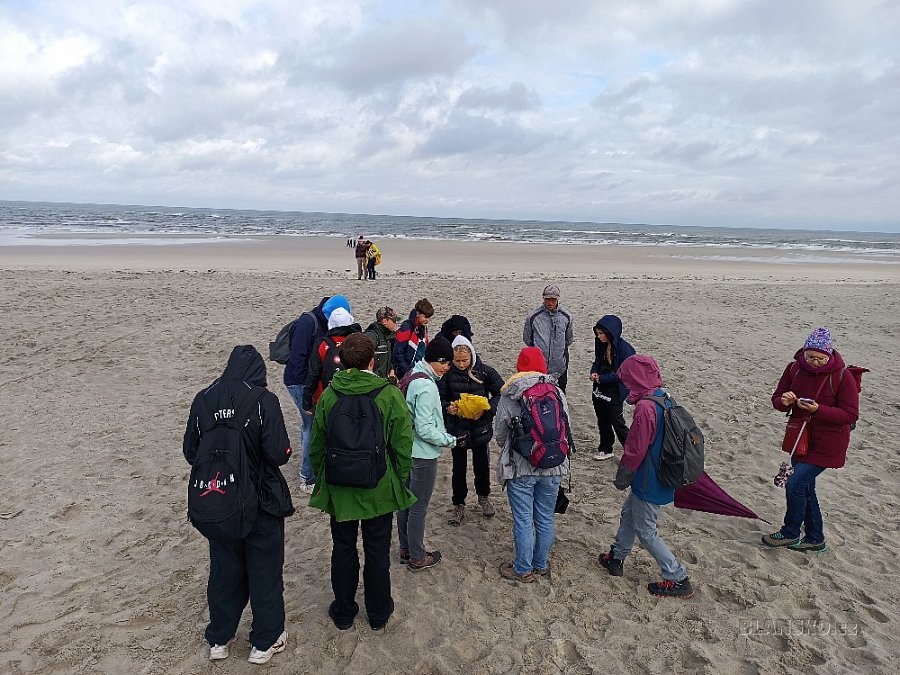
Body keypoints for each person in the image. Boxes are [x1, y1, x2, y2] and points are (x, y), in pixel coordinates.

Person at [183, 345, 294, 664]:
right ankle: (265, 641)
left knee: (223, 570)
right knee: (265, 570)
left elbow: (191, 451)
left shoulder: (203, 398)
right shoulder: (264, 401)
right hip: (261, 500)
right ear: (258, 373)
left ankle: (219, 637)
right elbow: (277, 453)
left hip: (219, 499)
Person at [308, 333, 416, 632]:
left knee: (342, 547)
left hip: (340, 484)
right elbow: (403, 443)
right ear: (373, 361)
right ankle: (378, 611)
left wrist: (324, 477)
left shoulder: (330, 395)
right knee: (377, 549)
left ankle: (343, 611)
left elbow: (316, 446)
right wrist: (399, 475)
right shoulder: (389, 394)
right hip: (378, 485)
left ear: (341, 361)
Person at [599, 354, 693, 599]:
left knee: (646, 529)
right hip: (663, 473)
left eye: (627, 380)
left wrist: (623, 476)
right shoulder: (664, 398)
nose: (625, 385)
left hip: (648, 477)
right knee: (629, 514)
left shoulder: (645, 408)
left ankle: (677, 576)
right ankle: (616, 557)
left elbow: (635, 448)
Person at [763, 327, 859, 552]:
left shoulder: (843, 376)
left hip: (829, 442)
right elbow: (777, 399)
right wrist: (784, 401)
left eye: (820, 358)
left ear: (829, 355)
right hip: (800, 438)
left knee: (795, 484)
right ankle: (815, 538)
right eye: (810, 357)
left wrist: (818, 410)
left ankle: (790, 532)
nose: (815, 362)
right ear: (804, 352)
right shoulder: (794, 369)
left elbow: (850, 415)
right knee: (806, 488)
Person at [493, 347, 570, 583]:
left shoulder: (511, 394)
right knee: (545, 516)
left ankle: (522, 568)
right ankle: (540, 563)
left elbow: (500, 435)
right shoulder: (556, 391)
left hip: (522, 466)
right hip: (554, 464)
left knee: (524, 519)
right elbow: (566, 426)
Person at [397, 336, 458, 572]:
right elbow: (424, 428)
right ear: (434, 360)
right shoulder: (426, 385)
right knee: (418, 506)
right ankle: (417, 556)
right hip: (422, 455)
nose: (447, 368)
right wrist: (450, 440)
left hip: (406, 451)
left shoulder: (413, 375)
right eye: (445, 363)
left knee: (405, 503)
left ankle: (405, 548)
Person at [284, 295, 350, 491]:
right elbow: (298, 359)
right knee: (311, 427)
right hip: (299, 382)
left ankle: (311, 466)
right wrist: (309, 391)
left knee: (308, 426)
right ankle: (307, 477)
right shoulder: (308, 322)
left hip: (310, 382)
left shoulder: (324, 323)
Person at [438, 335, 504, 525]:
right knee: (458, 468)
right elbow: (440, 396)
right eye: (456, 361)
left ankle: (484, 497)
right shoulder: (448, 374)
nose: (460, 364)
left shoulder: (485, 371)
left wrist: (488, 410)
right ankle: (458, 504)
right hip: (457, 427)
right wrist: (447, 408)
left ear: (471, 356)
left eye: (464, 360)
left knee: (482, 466)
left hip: (480, 427)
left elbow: (501, 392)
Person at [301, 307, 362, 418]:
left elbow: (313, 374)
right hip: (354, 396)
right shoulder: (357, 342)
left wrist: (307, 402)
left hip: (325, 398)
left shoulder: (322, 344)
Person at [590, 315, 635, 461]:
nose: (599, 336)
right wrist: (593, 372)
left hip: (615, 390)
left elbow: (623, 373)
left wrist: (603, 378)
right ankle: (606, 448)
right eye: (598, 333)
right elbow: (597, 360)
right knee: (602, 419)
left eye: (602, 333)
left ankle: (632, 450)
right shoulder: (600, 344)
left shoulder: (626, 350)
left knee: (617, 421)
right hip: (599, 387)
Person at [523, 284, 574, 392]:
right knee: (539, 392)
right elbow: (528, 339)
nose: (550, 302)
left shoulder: (567, 317)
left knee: (560, 392)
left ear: (557, 299)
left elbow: (568, 339)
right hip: (539, 364)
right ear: (543, 298)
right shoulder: (533, 317)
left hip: (560, 364)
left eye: (553, 299)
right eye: (547, 299)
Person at [392, 298, 434, 379]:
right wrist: (407, 371)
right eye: (425, 317)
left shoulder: (423, 328)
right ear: (418, 314)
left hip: (420, 370)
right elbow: (397, 352)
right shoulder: (406, 327)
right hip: (406, 372)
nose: (427, 320)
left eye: (429, 317)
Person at [364, 306, 400, 378]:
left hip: (383, 380)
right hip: (373, 381)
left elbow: (389, 356)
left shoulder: (389, 337)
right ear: (385, 321)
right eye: (394, 321)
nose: (395, 324)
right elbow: (363, 358)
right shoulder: (372, 336)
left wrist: (391, 369)